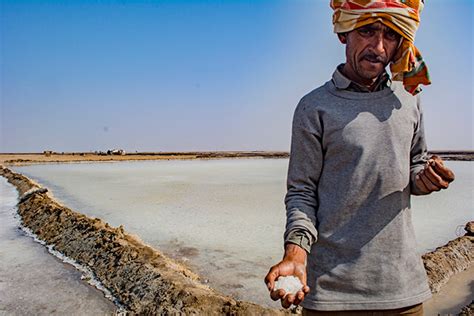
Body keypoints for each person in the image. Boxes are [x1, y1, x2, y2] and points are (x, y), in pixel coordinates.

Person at [264, 1, 455, 314]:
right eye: (367, 31)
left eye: (390, 36)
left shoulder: (408, 100)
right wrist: (296, 253)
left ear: (400, 43)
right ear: (344, 33)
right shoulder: (314, 107)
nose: (378, 47)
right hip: (330, 293)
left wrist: (426, 178)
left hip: (402, 289)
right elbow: (302, 192)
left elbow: (414, 170)